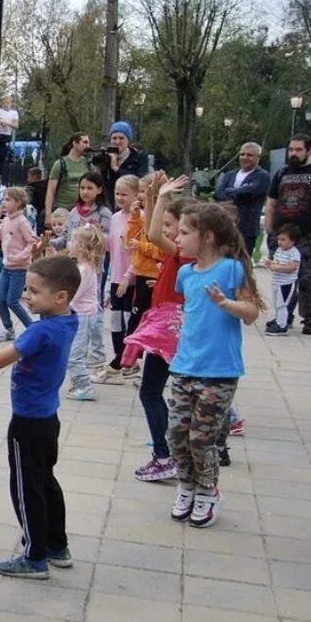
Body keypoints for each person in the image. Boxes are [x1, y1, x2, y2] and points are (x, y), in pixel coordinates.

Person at [165, 202, 261, 527]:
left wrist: (226, 303)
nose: (177, 239)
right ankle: (187, 486)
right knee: (175, 434)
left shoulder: (232, 269)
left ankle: (208, 491)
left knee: (201, 439)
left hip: (219, 372)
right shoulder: (185, 273)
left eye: (183, 232)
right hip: (183, 367)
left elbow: (251, 313)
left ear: (205, 236)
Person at [0, 255, 80, 578]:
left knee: (26, 487)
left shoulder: (39, 332)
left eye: (34, 291)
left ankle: (34, 556)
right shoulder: (69, 320)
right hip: (47, 417)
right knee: (45, 481)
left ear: (60, 297)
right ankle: (57, 545)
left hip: (27, 420)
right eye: (26, 289)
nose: (27, 296)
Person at [128, 173, 192, 483]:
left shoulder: (185, 252)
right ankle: (173, 452)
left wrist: (163, 196)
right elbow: (154, 230)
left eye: (173, 228)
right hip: (168, 323)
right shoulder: (181, 255)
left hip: (168, 327)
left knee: (151, 392)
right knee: (172, 390)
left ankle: (164, 455)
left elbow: (152, 234)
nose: (167, 232)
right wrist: (155, 196)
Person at [264, 134, 311, 335]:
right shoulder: (281, 173)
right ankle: (283, 317)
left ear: (309, 150)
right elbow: (271, 204)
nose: (293, 153)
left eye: (298, 150)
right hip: (283, 234)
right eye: (291, 149)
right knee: (283, 277)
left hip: (309, 235)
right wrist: (270, 232)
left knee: (307, 279)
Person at [100, 175, 141, 378]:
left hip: (132, 278)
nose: (120, 198)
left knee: (128, 319)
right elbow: (113, 248)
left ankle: (130, 361)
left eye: (124, 194)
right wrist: (100, 237)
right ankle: (119, 358)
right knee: (115, 321)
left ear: (136, 195)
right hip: (115, 276)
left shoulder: (140, 218)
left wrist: (128, 276)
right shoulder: (115, 217)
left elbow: (139, 254)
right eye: (117, 193)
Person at [0, 186, 38, 341]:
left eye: (8, 200)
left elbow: (32, 242)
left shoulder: (22, 221)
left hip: (20, 268)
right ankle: (9, 328)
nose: (4, 202)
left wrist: (20, 257)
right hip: (7, 266)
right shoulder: (6, 220)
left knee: (12, 300)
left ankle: (32, 328)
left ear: (18, 202)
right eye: (3, 199)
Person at [65, 226, 107, 401]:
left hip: (84, 316)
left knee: (74, 355)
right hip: (84, 314)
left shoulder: (84, 270)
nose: (69, 243)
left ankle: (84, 387)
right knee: (75, 353)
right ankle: (79, 383)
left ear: (81, 246)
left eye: (73, 241)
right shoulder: (84, 267)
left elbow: (74, 294)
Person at [214, 142, 270, 262]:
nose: (245, 157)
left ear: (258, 158)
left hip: (246, 230)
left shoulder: (262, 176)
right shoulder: (230, 175)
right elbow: (218, 194)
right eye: (242, 154)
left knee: (242, 265)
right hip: (226, 227)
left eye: (249, 155)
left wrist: (229, 192)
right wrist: (238, 192)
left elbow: (250, 192)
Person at [51, 172, 111, 250]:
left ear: (99, 190)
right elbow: (65, 239)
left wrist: (96, 233)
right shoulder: (73, 212)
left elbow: (109, 242)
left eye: (89, 188)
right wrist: (48, 243)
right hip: (72, 259)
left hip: (94, 260)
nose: (85, 192)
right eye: (82, 188)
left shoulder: (104, 213)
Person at [45, 133, 92, 221]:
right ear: (75, 143)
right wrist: (48, 214)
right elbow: (50, 191)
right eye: (85, 142)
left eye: (88, 143)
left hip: (81, 210)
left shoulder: (87, 163)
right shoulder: (60, 164)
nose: (87, 146)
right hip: (63, 210)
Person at [265, 224, 302, 336]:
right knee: (276, 303)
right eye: (279, 239)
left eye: (283, 240)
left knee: (282, 304)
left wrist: (277, 268)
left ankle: (282, 326)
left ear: (293, 241)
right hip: (276, 282)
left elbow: (292, 267)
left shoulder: (294, 253)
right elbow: (277, 262)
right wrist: (271, 264)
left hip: (286, 283)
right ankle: (278, 319)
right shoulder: (279, 250)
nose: (280, 242)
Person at [102, 121, 149, 207]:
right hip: (109, 203)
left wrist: (116, 168)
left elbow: (139, 180)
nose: (117, 142)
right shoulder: (105, 157)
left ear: (128, 140)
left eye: (121, 138)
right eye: (114, 138)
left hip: (132, 204)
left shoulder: (139, 157)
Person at [0, 95, 19, 173]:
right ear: (1, 104)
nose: (6, 104)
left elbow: (16, 125)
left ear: (10, 103)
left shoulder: (14, 113)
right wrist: (1, 121)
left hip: (6, 136)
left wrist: (7, 123)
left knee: (3, 158)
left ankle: (0, 176)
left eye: (7, 102)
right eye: (4, 103)